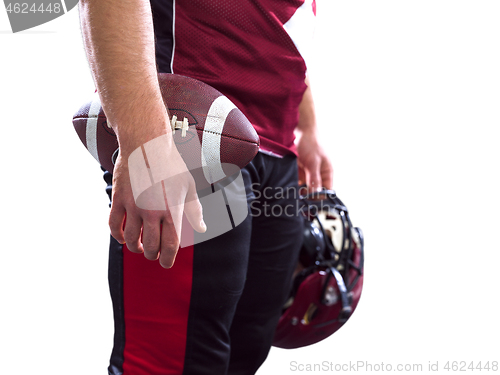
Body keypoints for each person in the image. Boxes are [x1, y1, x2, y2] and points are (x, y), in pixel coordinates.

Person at [78, 0, 332, 374]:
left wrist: (305, 126)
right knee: (169, 363)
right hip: (194, 128)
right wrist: (145, 142)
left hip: (277, 146)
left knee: (243, 355)